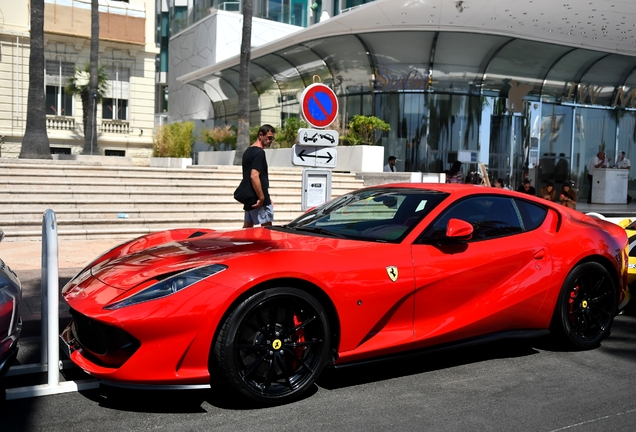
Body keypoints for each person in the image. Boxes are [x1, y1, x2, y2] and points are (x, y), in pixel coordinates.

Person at [237, 124, 275, 228]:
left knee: (247, 229)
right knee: (267, 229)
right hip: (258, 199)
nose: (271, 140)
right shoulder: (260, 153)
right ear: (260, 135)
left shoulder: (247, 152)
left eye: (273, 138)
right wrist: (262, 198)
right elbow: (254, 176)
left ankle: (243, 245)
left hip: (250, 198)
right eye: (269, 137)